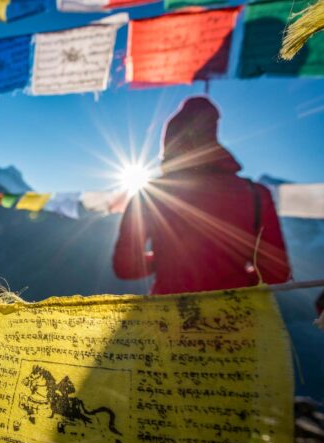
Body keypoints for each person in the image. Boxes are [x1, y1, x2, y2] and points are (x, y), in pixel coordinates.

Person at [113, 96, 291, 295]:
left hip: (169, 316)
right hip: (237, 317)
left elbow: (126, 267)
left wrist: (163, 259)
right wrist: (237, 281)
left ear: (169, 143)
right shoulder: (257, 195)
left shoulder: (149, 196)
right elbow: (276, 273)